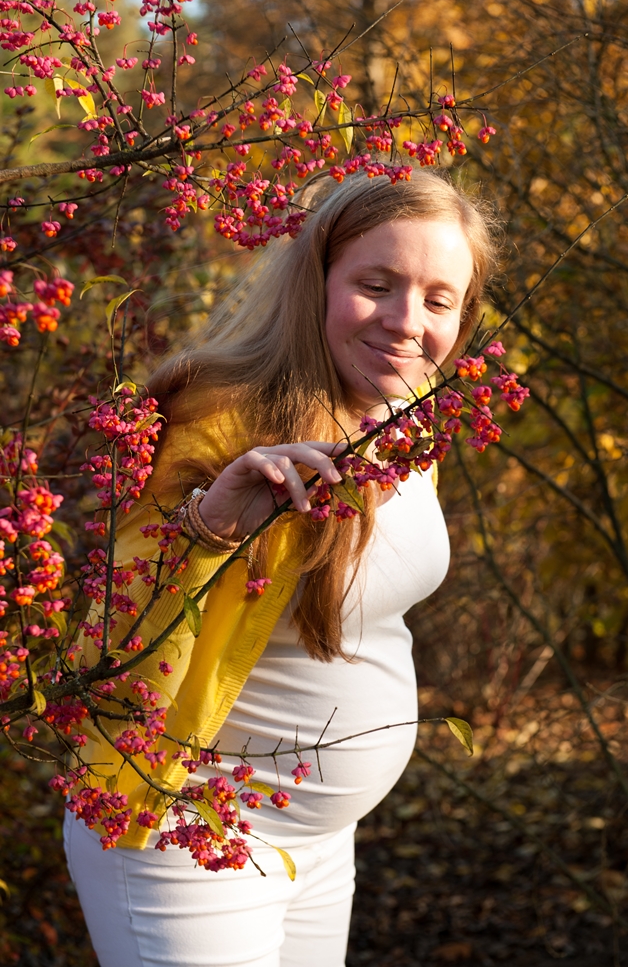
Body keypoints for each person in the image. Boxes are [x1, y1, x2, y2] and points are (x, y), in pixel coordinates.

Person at [64, 169, 498, 967]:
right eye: (375, 285)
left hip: (323, 842)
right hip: (185, 834)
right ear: (315, 281)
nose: (406, 322)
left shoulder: (407, 413)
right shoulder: (213, 413)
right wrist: (206, 530)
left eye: (438, 300)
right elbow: (106, 655)